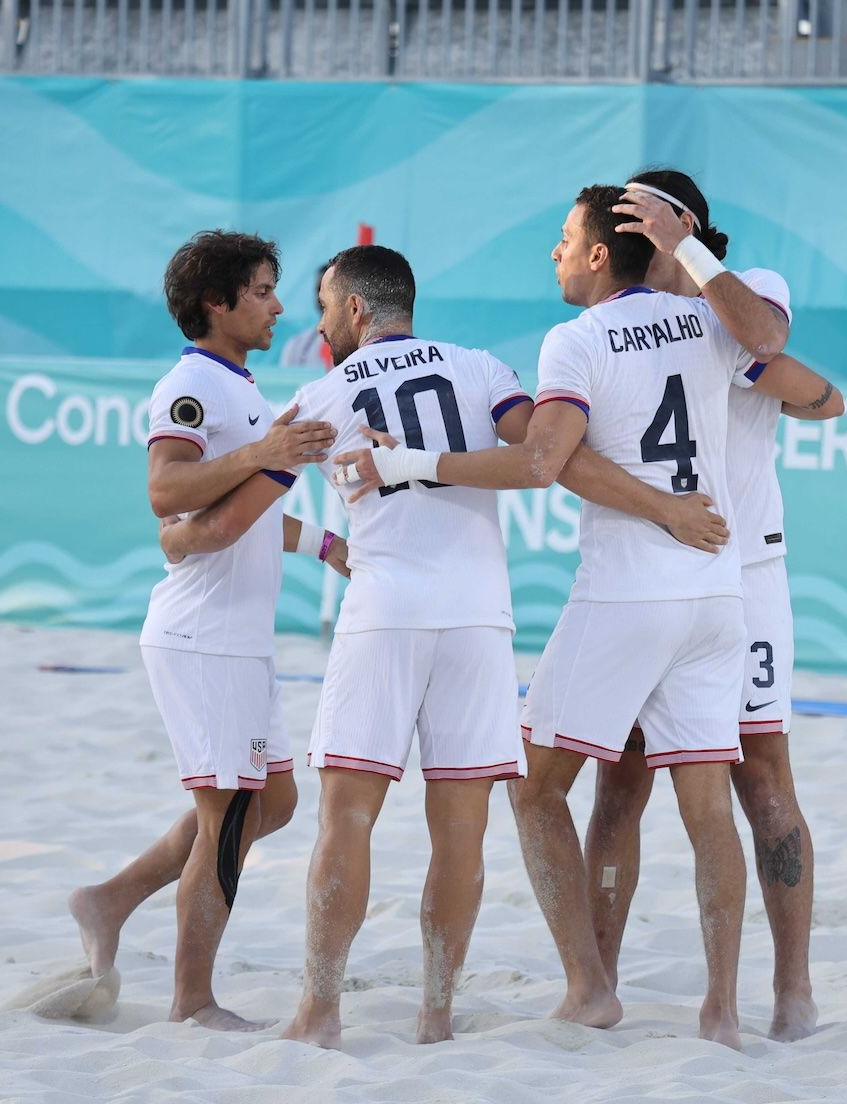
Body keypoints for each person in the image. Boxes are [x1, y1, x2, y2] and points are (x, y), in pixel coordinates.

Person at [162, 243, 737, 1048]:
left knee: (349, 818)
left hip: (385, 612)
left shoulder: (326, 393)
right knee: (460, 827)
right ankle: (435, 1015)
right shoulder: (481, 370)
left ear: (357, 310)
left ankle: (319, 1012)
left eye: (325, 305)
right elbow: (546, 456)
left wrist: (180, 535)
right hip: (478, 619)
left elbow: (223, 522)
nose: (318, 320)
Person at [334, 185, 832, 1048]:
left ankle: (589, 987)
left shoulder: (576, 337)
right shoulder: (708, 320)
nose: (554, 252)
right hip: (721, 590)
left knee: (534, 786)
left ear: (603, 253)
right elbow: (805, 381)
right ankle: (722, 1009)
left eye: (564, 238)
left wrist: (410, 465)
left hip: (630, 590)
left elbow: (540, 463)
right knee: (706, 801)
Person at [582, 170, 843, 1042]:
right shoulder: (611, 321)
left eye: (642, 213)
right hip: (648, 570)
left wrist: (681, 244)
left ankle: (792, 992)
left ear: (678, 219)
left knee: (761, 775)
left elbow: (784, 359)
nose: (634, 227)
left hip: (743, 570)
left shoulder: (743, 290)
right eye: (627, 219)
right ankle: (599, 984)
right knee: (618, 784)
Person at [68, 229, 342, 1032]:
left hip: (238, 637)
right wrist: (268, 450)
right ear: (216, 303)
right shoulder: (190, 385)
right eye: (261, 290)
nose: (279, 306)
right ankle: (193, 1003)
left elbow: (243, 516)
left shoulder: (242, 387)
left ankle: (109, 899)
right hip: (201, 635)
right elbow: (166, 490)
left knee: (274, 802)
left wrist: (329, 546)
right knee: (226, 818)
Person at [280, 261, 334, 370]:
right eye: (319, 289)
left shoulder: (360, 348)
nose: (323, 297)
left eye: (331, 290)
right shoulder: (296, 347)